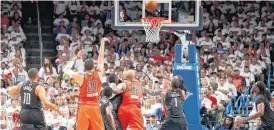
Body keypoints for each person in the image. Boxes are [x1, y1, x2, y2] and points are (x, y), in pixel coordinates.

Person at [63, 38, 108, 130]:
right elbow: (101, 57)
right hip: (95, 106)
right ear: (94, 66)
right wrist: (102, 42)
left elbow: (65, 69)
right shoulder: (99, 74)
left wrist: (76, 57)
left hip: (83, 107)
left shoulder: (81, 77)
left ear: (84, 67)